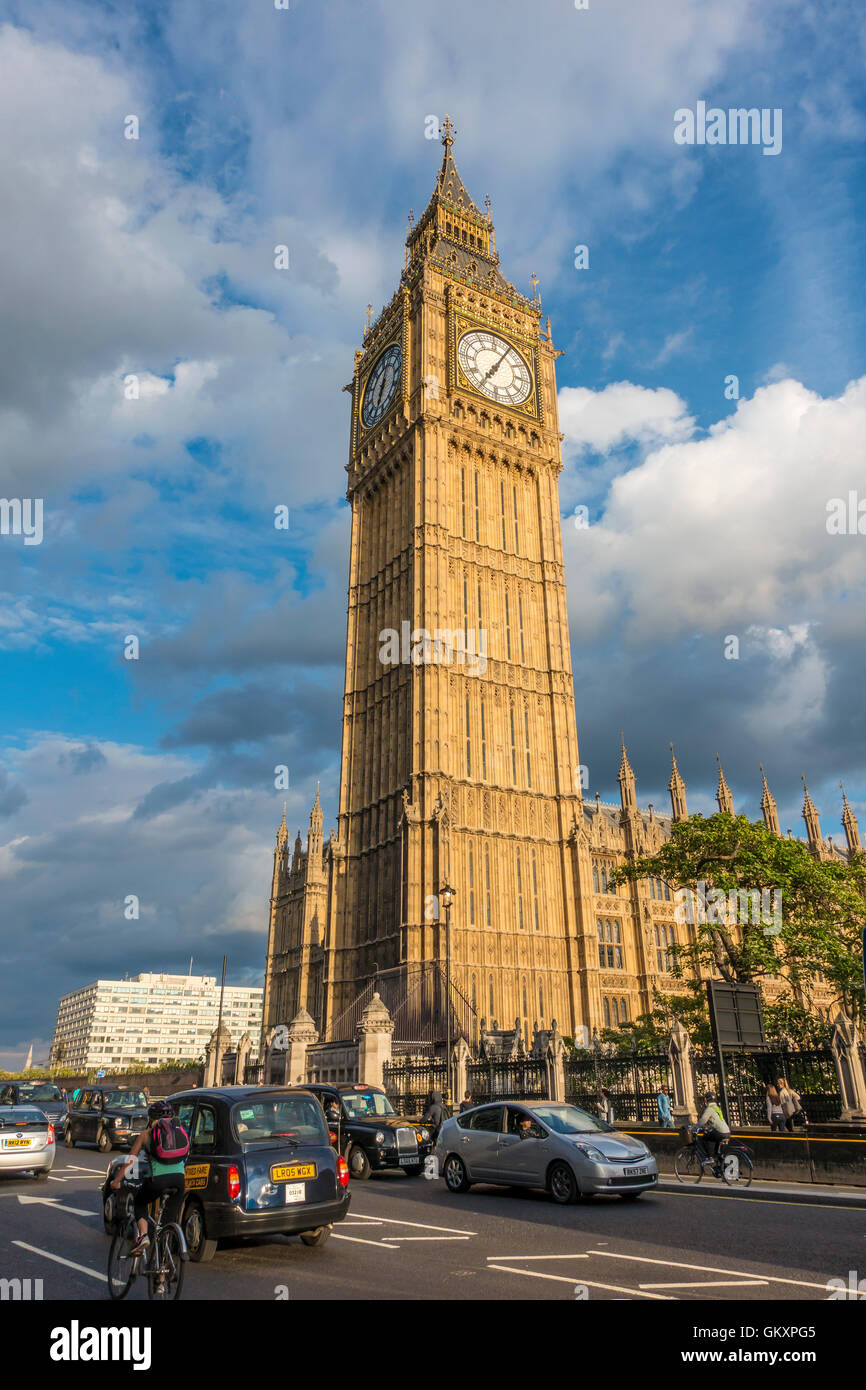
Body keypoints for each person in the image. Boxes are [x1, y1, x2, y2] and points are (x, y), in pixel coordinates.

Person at [111, 1100, 188, 1257]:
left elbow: (130, 1161)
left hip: (158, 1181)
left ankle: (144, 1236)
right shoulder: (180, 1131)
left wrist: (116, 1180)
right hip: (180, 1180)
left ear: (151, 1118)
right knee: (168, 1223)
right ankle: (161, 1276)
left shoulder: (146, 1135)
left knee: (140, 1203)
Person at [696, 1092, 730, 1166]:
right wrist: (708, 1127)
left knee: (704, 1137)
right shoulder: (717, 1108)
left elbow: (703, 1121)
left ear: (707, 1100)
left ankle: (709, 1157)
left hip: (720, 1133)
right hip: (727, 1132)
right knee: (718, 1152)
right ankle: (722, 1170)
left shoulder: (709, 1109)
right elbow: (716, 1121)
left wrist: (695, 1127)